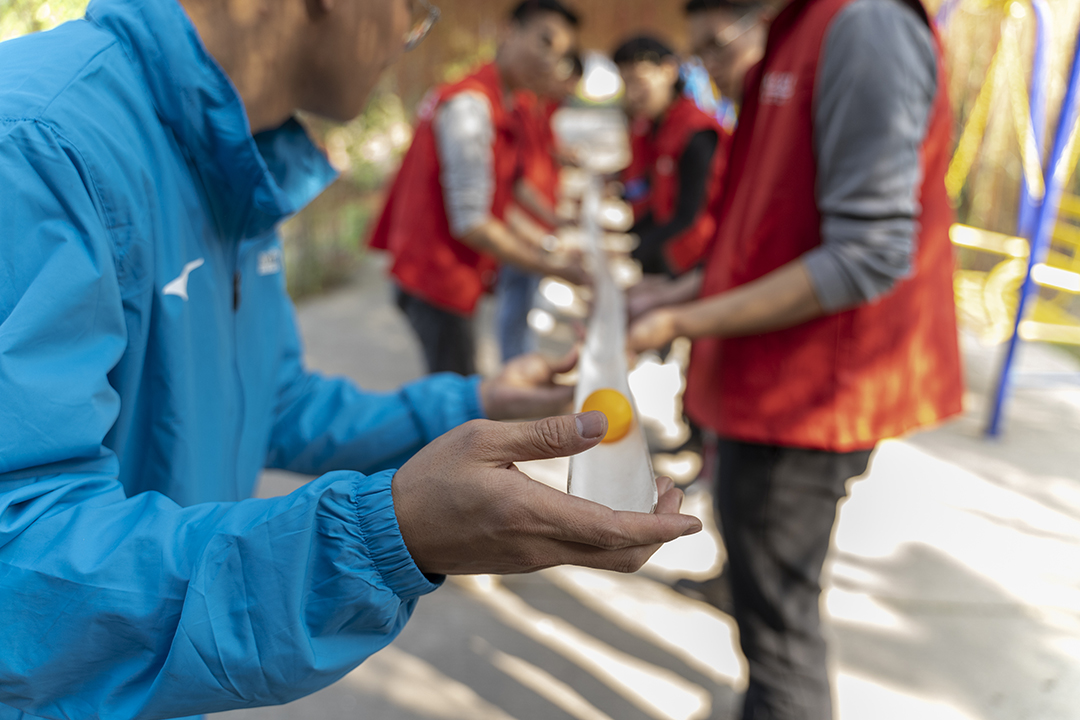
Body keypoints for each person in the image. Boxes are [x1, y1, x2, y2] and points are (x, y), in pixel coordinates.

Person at [0, 0, 703, 716]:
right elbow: (17, 564)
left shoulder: (236, 151)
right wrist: (383, 534)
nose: (410, 35)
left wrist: (474, 405)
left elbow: (272, 402)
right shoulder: (36, 147)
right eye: (417, 9)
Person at [628, 0, 964, 718]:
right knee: (760, 586)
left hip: (809, 398)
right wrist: (679, 293)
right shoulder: (799, 31)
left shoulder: (864, 24)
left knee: (781, 632)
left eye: (716, 46)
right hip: (771, 385)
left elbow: (868, 254)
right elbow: (764, 236)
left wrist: (683, 317)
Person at [370, 0, 588, 376]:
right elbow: (472, 221)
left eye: (561, 54)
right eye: (544, 42)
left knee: (457, 385)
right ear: (509, 31)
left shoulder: (506, 102)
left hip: (455, 276)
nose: (550, 61)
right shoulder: (471, 106)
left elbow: (502, 195)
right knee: (455, 400)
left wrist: (548, 240)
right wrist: (552, 264)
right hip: (434, 277)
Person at [615, 35, 731, 277]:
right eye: (626, 84)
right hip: (666, 247)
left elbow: (689, 213)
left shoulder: (697, 131)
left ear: (668, 70)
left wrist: (631, 251)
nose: (632, 94)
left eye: (639, 81)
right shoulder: (654, 126)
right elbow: (655, 196)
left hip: (695, 261)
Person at [495, 51, 584, 363]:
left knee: (524, 301)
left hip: (533, 224)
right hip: (521, 227)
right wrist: (548, 233)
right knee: (515, 302)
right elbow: (510, 187)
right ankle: (514, 365)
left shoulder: (540, 108)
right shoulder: (514, 108)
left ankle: (520, 358)